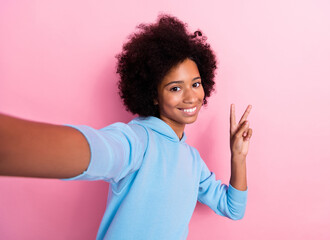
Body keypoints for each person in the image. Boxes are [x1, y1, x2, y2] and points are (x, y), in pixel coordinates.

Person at [0, 14, 253, 240]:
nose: (191, 97)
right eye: (175, 88)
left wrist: (238, 156)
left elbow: (233, 208)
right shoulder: (138, 140)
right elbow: (102, 150)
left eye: (196, 84)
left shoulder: (192, 160)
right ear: (153, 95)